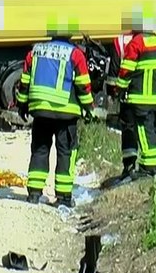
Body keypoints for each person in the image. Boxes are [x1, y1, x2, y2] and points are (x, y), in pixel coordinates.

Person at [14, 16, 95, 206]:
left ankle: (34, 193)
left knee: (40, 150)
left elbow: (24, 82)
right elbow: (83, 85)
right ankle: (64, 197)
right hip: (66, 114)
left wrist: (22, 105)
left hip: (40, 112)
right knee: (65, 152)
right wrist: (89, 108)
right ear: (70, 33)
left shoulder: (35, 51)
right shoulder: (75, 54)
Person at [113, 9, 156, 181]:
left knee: (144, 133)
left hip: (141, 99)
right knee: (155, 132)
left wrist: (119, 89)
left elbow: (126, 70)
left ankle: (149, 168)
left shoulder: (137, 42)